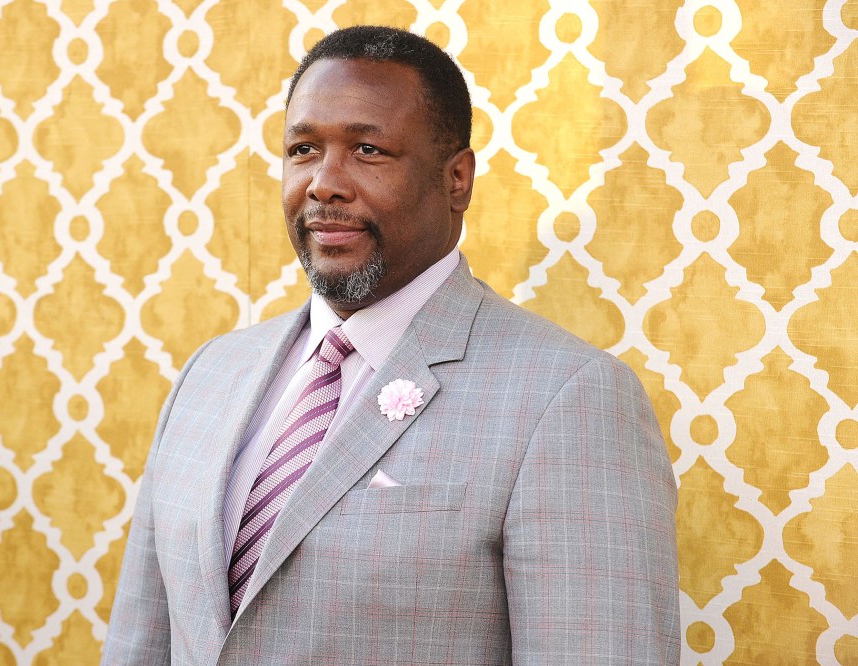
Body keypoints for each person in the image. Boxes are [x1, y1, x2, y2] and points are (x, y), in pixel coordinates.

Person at [103, 25, 680, 665]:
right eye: (302, 149)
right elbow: (140, 643)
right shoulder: (210, 374)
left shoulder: (568, 401)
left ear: (457, 179)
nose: (324, 182)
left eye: (368, 150)